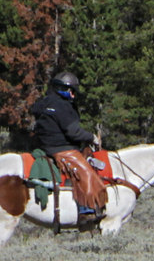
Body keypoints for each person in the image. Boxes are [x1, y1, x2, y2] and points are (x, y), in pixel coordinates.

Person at [28, 69, 107, 222]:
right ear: (63, 89)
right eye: (71, 91)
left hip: (45, 146)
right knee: (85, 172)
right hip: (62, 149)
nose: (73, 95)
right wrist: (91, 137)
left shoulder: (43, 103)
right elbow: (73, 132)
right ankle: (87, 210)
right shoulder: (62, 106)